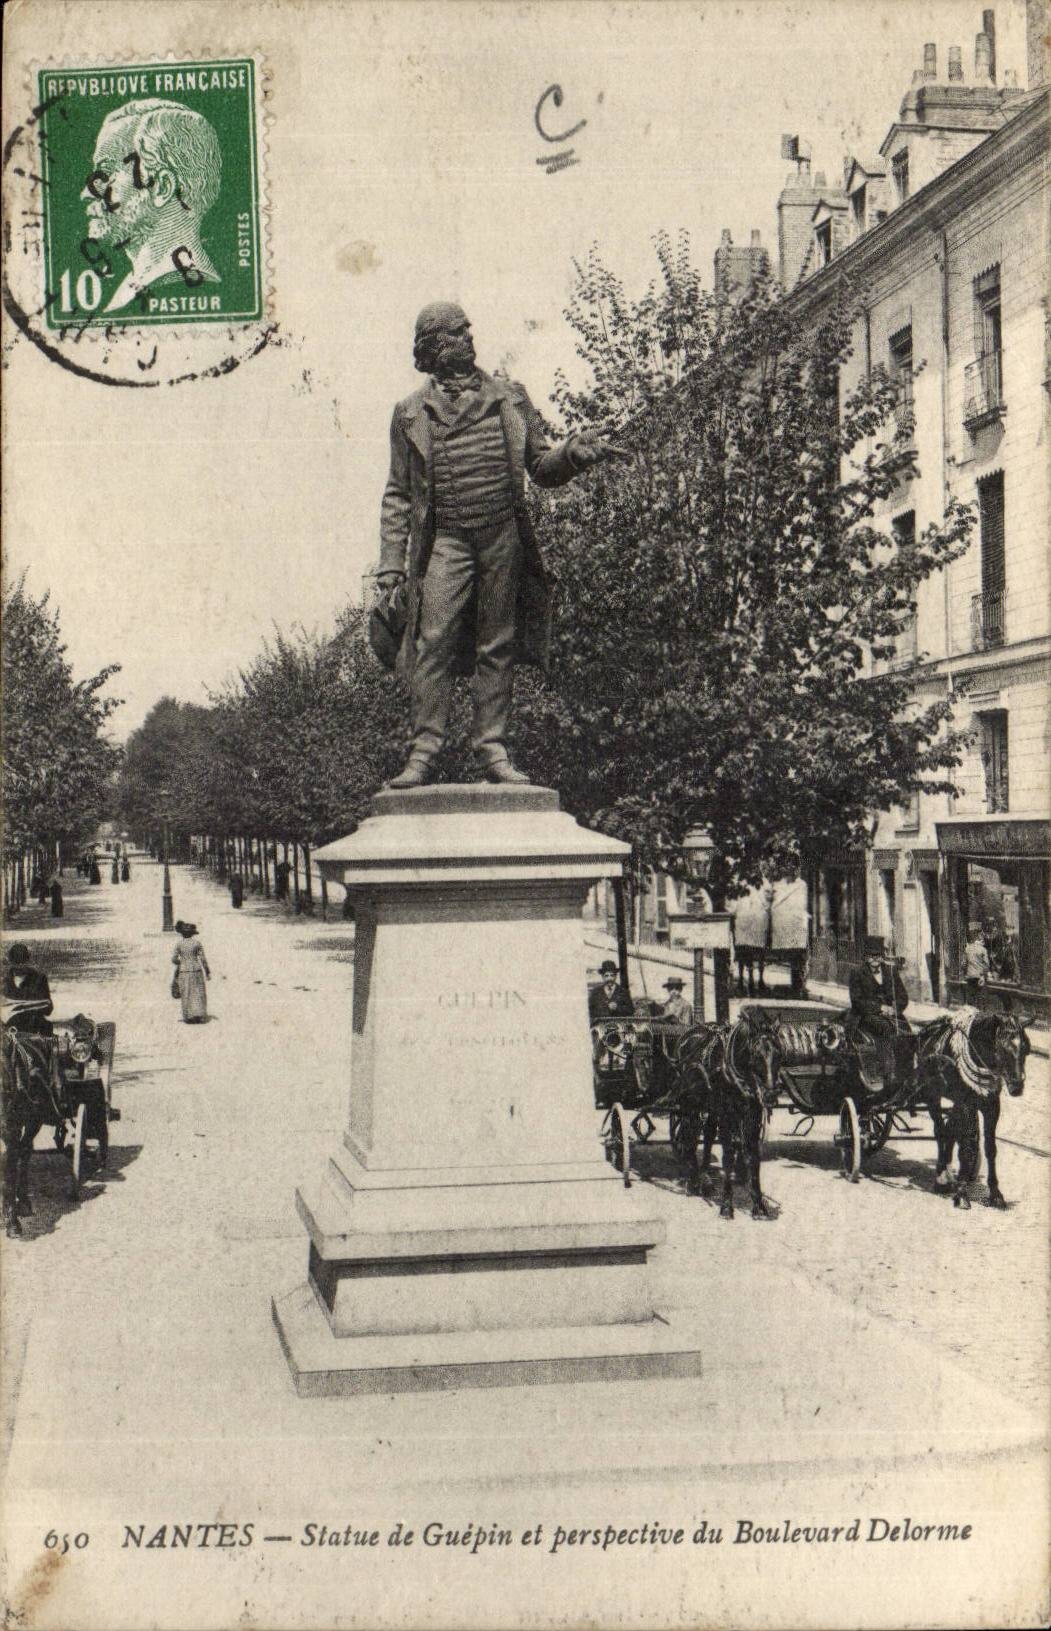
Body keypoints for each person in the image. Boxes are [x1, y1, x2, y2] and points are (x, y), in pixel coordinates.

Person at [377, 302, 627, 789]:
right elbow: (399, 493)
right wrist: (390, 566)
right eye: (456, 331)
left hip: (501, 537)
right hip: (446, 540)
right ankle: (424, 750)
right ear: (432, 347)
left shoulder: (510, 398)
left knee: (498, 643)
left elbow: (541, 467)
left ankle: (492, 747)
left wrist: (572, 454)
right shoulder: (409, 413)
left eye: (469, 327)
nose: (469, 335)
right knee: (433, 643)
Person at [82, 99, 222, 314]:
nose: (86, 194)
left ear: (162, 187)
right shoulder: (133, 289)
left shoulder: (177, 286)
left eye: (106, 173)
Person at [848, 936, 910, 1090]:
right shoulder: (857, 973)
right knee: (885, 1029)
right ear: (865, 957)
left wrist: (895, 1009)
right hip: (866, 1016)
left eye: (878, 955)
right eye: (871, 956)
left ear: (882, 956)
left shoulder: (890, 971)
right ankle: (888, 1072)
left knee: (907, 1033)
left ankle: (907, 1071)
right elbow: (857, 1001)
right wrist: (880, 1008)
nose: (875, 959)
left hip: (890, 1014)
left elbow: (903, 996)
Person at [3, 944, 53, 1035]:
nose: (20, 966)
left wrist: (27, 1007)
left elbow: (49, 1009)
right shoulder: (5, 981)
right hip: (10, 1029)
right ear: (10, 962)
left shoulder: (39, 979)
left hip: (35, 1028)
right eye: (17, 963)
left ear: (28, 960)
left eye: (23, 962)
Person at [171, 920, 211, 1024]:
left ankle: (188, 1016)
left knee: (186, 993)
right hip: (196, 969)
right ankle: (199, 1014)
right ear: (193, 933)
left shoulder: (179, 944)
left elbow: (174, 959)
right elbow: (203, 959)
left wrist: (181, 962)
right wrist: (207, 972)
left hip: (184, 971)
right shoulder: (197, 943)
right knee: (198, 992)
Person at [963, 924, 990, 1003]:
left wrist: (966, 972)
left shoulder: (967, 949)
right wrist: (983, 976)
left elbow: (963, 963)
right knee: (980, 996)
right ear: (979, 938)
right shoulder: (983, 949)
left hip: (970, 975)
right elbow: (987, 965)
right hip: (980, 976)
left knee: (971, 996)